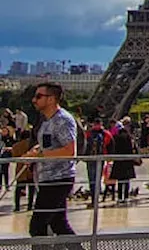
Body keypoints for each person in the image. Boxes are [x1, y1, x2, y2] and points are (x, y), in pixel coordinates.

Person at [24, 82, 82, 243]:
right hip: (49, 179)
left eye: (38, 96)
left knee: (37, 226)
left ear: (51, 99)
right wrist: (35, 152)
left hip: (58, 179)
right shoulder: (47, 121)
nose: (34, 100)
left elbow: (70, 151)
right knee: (59, 225)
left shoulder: (62, 120)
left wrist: (40, 155)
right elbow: (49, 145)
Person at [108, 118, 138, 203]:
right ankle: (126, 197)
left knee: (120, 180)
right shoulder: (129, 137)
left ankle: (120, 197)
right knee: (127, 180)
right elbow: (132, 148)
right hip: (128, 160)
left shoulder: (116, 137)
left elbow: (113, 149)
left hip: (119, 161)